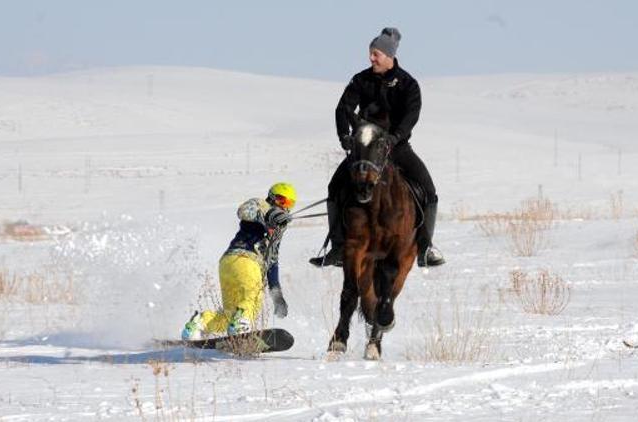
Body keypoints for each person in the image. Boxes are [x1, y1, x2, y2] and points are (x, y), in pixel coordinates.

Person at [309, 27, 445, 268]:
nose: (371, 58)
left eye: (376, 54)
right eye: (370, 53)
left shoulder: (408, 84)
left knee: (428, 190)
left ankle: (425, 248)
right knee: (335, 186)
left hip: (397, 147)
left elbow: (411, 115)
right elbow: (344, 109)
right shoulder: (360, 80)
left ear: (389, 55)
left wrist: (395, 137)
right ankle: (338, 247)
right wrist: (344, 136)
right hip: (365, 147)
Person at [181, 183, 296, 340]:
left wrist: (277, 295)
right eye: (282, 201)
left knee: (230, 314)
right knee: (252, 298)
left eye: (289, 203)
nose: (285, 206)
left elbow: (272, 261)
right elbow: (243, 211)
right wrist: (270, 214)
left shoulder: (279, 228)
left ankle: (199, 323)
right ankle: (240, 327)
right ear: (272, 197)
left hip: (229, 265)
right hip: (246, 261)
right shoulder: (260, 205)